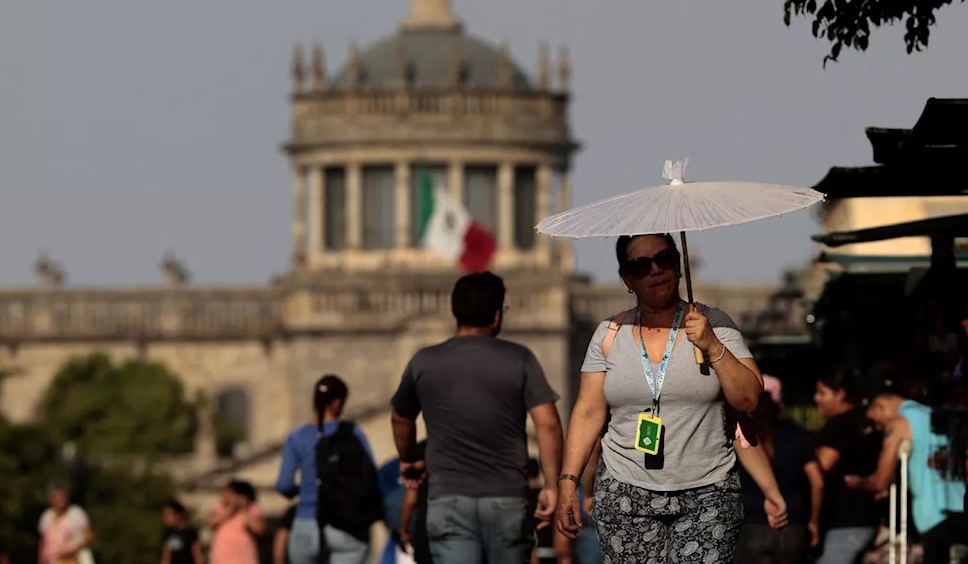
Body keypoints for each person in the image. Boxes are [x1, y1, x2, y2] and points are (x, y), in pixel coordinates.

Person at [554, 233, 766, 563]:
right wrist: (568, 482)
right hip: (626, 491)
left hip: (708, 492)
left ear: (679, 267)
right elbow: (588, 413)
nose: (655, 270)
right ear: (627, 279)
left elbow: (749, 399)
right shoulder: (609, 334)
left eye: (664, 259)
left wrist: (712, 345)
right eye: (641, 265)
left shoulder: (716, 325)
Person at [390, 271, 564, 564]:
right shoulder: (520, 359)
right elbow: (547, 424)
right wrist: (551, 484)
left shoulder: (424, 361)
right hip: (506, 497)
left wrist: (408, 458)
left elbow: (400, 417)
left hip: (448, 498)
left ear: (455, 312)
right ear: (497, 315)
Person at [846, 384, 968, 564]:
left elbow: (880, 481)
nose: (877, 428)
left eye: (875, 422)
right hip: (963, 507)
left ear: (880, 406)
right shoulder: (937, 414)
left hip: (932, 516)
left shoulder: (900, 423)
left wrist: (857, 483)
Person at [276, 374, 381, 564]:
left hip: (306, 524)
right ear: (338, 402)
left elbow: (284, 485)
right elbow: (371, 473)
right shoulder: (352, 432)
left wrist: (304, 490)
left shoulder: (297, 437)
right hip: (346, 524)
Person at [735, 390, 824, 564]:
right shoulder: (796, 435)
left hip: (752, 524)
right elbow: (818, 482)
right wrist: (813, 520)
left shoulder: (743, 438)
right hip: (792, 525)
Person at [812, 367, 882, 563]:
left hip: (844, 522)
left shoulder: (839, 425)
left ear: (841, 394)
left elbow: (822, 464)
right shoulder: (865, 422)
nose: (817, 399)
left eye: (822, 393)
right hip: (863, 518)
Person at [207, 479, 265, 564]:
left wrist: (243, 509)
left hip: (244, 559)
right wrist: (230, 509)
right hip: (221, 559)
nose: (225, 495)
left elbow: (259, 529)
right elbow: (210, 523)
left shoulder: (252, 509)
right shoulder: (219, 507)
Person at [38, 482, 93, 564]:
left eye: (63, 496)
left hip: (74, 560)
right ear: (51, 499)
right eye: (57, 496)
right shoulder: (46, 517)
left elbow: (89, 537)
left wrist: (71, 549)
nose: (61, 499)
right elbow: (43, 542)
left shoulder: (76, 513)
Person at [162, 500, 203, 564]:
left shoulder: (190, 533)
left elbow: (197, 556)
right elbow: (166, 557)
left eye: (169, 514)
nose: (166, 518)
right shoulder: (168, 534)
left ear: (178, 515)